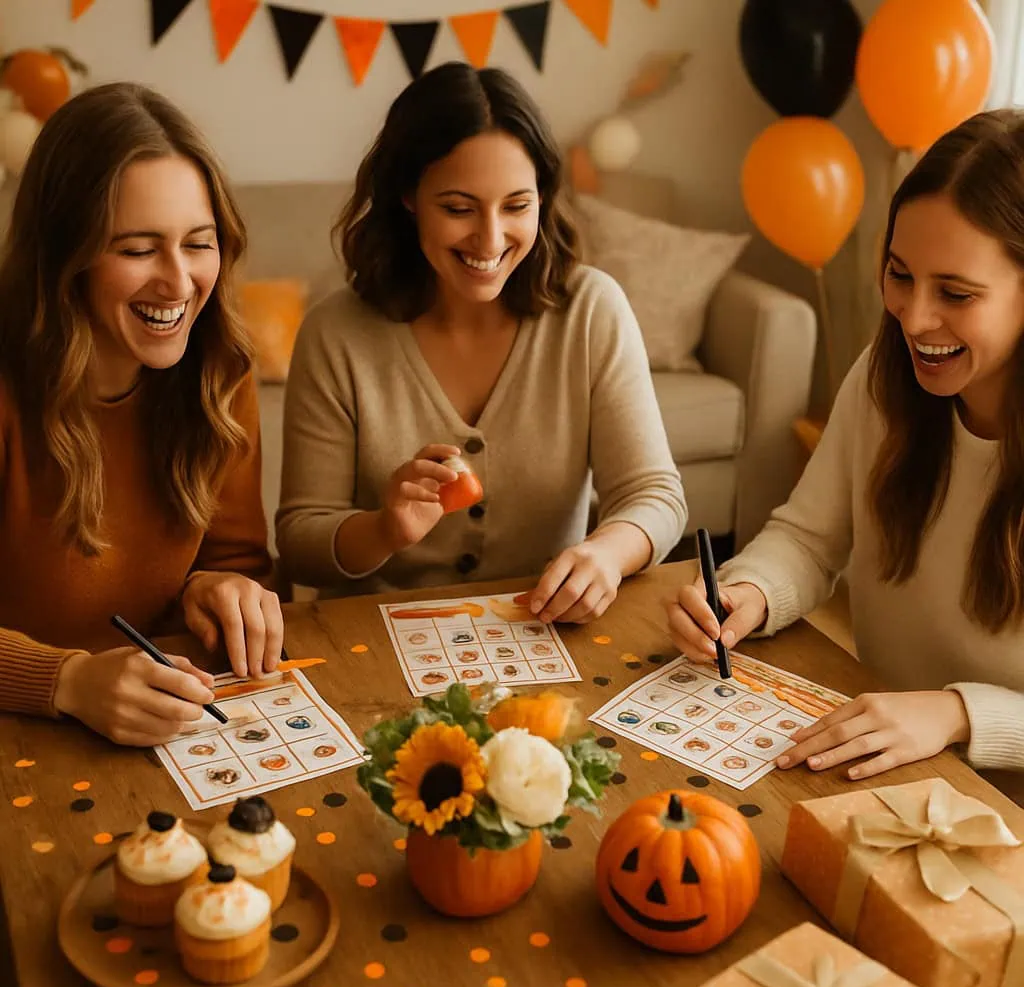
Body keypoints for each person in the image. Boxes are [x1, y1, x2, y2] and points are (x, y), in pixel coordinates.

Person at [667, 109, 1024, 778]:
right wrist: (750, 591)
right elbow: (808, 539)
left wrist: (958, 714)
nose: (914, 318)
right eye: (899, 274)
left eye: (956, 292)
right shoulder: (886, 378)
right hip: (882, 769)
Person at [277, 62, 686, 622]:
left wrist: (606, 554)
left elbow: (656, 495)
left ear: (543, 198)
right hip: (374, 643)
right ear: (407, 195)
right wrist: (383, 528)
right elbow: (300, 541)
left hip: (543, 634)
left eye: (517, 206)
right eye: (458, 208)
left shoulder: (592, 310)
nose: (490, 239)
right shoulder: (336, 334)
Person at [0, 83, 283, 746]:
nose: (180, 282)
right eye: (137, 249)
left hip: (159, 726)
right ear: (64, 257)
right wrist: (65, 681)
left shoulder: (221, 371)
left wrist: (217, 588)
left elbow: (238, 556)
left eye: (199, 243)